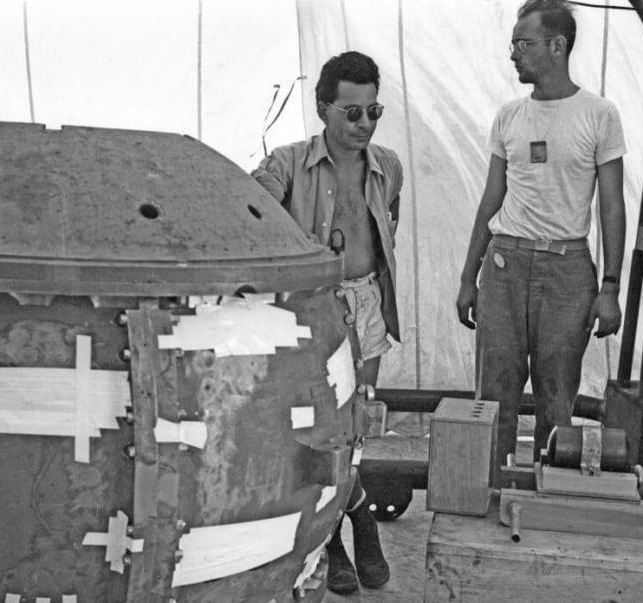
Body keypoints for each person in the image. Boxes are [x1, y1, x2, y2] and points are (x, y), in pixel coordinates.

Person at [252, 51, 401, 594]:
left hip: (366, 303)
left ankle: (346, 522)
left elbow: (386, 228)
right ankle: (346, 530)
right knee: (318, 432)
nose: (364, 124)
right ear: (323, 109)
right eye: (352, 113)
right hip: (315, 309)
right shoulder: (288, 163)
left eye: (373, 111)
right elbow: (250, 209)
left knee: (358, 424)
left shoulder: (389, 165)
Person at [456, 0, 626, 469]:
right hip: (505, 264)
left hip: (568, 271)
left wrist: (609, 288)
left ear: (558, 45)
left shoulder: (599, 114)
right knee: (494, 396)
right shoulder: (509, 116)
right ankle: (490, 496)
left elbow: (612, 206)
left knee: (557, 398)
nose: (514, 54)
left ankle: (548, 498)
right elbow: (490, 202)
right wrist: (468, 277)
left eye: (524, 44)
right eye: (513, 44)